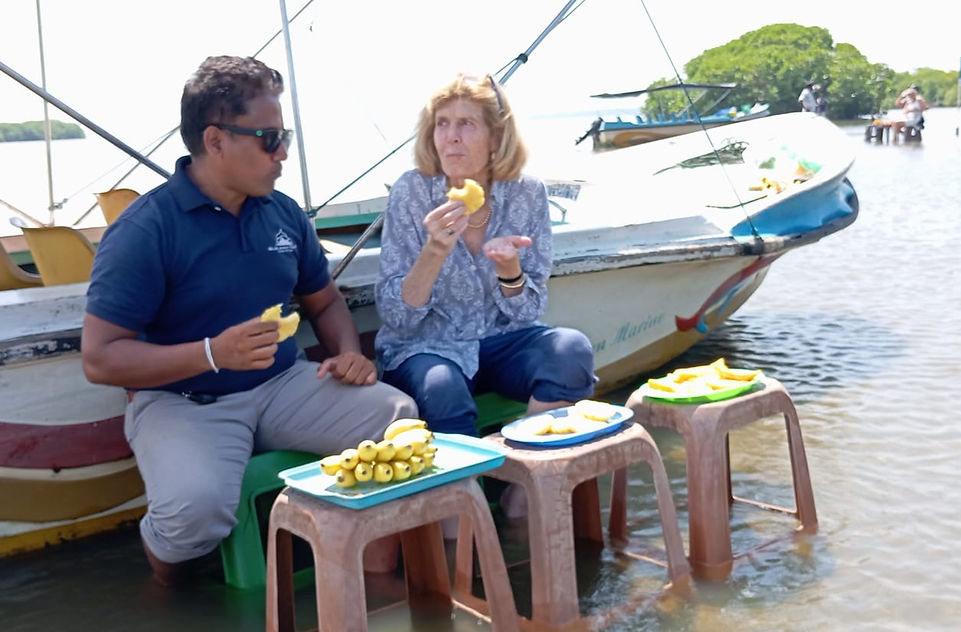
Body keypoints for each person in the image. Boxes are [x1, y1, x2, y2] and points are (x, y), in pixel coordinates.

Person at [81, 56, 417, 586]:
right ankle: (167, 599)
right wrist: (213, 354)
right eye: (269, 138)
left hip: (283, 384)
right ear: (215, 141)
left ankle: (374, 587)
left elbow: (324, 301)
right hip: (182, 399)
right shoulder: (146, 229)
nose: (282, 153)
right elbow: (99, 358)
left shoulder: (283, 213)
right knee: (194, 512)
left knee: (397, 419)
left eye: (285, 138)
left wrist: (349, 354)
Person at [374, 72, 596, 441]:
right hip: (428, 346)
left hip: (501, 342)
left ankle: (524, 489)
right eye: (441, 124)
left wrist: (509, 271)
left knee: (570, 350)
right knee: (443, 388)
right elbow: (399, 320)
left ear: (496, 137)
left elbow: (527, 313)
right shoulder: (410, 192)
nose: (451, 136)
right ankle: (468, 495)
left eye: (466, 124)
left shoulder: (527, 193)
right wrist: (434, 251)